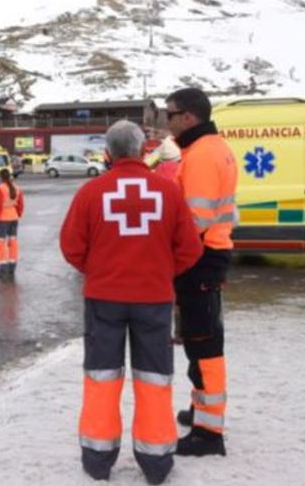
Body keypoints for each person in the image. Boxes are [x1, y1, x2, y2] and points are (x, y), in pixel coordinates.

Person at [60, 120, 203, 484]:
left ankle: (97, 460)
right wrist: (161, 272)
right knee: (154, 379)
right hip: (153, 300)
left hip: (103, 300)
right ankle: (156, 463)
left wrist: (100, 270)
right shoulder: (168, 191)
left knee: (101, 378)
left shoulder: (92, 192)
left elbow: (72, 247)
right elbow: (190, 248)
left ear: (107, 154)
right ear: (144, 151)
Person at [164, 87, 237, 457]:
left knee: (204, 343)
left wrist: (171, 259)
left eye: (170, 114)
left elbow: (194, 222)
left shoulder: (204, 155)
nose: (168, 122)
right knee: (199, 339)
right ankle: (201, 411)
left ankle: (209, 433)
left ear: (188, 116)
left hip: (200, 259)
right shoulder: (207, 149)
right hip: (208, 256)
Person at [0, 168, 25, 279]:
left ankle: (3, 269)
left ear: (1, 177)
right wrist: (17, 214)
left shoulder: (1, 188)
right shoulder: (16, 188)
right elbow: (20, 204)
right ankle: (12, 267)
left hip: (2, 219)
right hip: (14, 218)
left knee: (1, 244)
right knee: (13, 243)